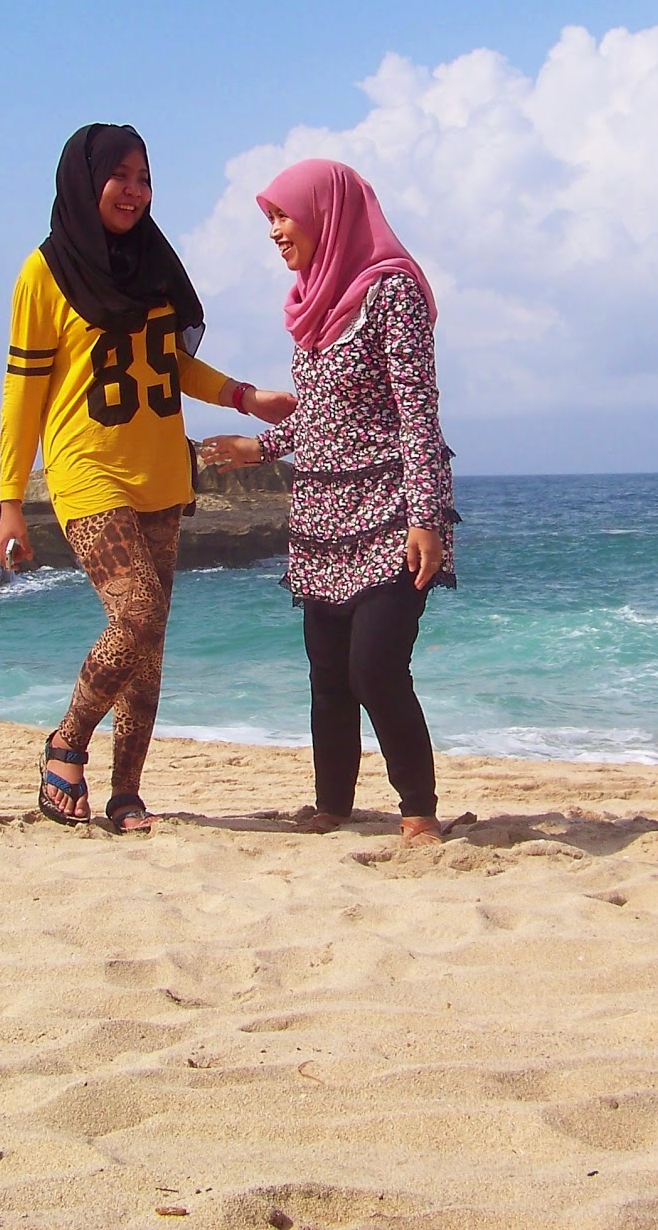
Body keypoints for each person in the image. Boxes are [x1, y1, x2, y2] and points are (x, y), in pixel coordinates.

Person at [0, 122, 293, 833]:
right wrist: (10, 502)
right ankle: (66, 745)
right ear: (84, 179)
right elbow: (23, 392)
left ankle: (126, 792)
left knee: (149, 645)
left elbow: (171, 361)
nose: (134, 192)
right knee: (134, 615)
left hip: (162, 471)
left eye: (144, 179)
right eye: (120, 176)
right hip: (86, 468)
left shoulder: (154, 263)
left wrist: (242, 396)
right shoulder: (43, 273)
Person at [200, 158, 457, 847]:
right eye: (270, 219)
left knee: (375, 668)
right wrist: (258, 448)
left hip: (389, 507)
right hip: (320, 515)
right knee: (328, 676)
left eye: (284, 215)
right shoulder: (313, 302)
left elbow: (416, 411)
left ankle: (419, 809)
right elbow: (324, 415)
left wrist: (426, 518)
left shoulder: (393, 291)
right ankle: (333, 805)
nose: (275, 231)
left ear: (328, 213)